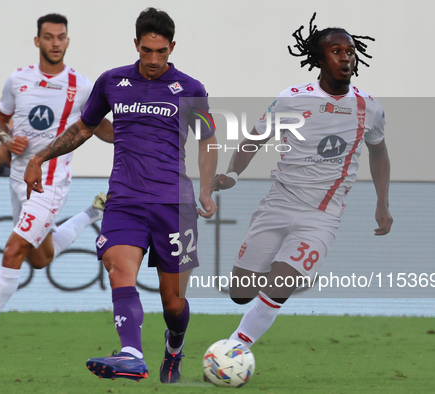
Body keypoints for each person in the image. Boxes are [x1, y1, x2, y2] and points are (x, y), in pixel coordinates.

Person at [23, 7, 217, 383]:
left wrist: (206, 188)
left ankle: (174, 346)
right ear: (136, 45)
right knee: (118, 267)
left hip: (173, 205)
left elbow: (208, 139)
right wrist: (40, 157)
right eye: (147, 51)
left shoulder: (192, 89)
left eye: (162, 52)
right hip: (125, 199)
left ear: (172, 47)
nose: (155, 59)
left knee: (173, 303)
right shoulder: (112, 82)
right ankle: (131, 353)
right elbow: (84, 127)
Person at [213, 13, 393, 349]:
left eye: (350, 51)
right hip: (279, 203)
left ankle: (235, 348)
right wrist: (232, 173)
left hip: (322, 216)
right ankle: (267, 282)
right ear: (319, 58)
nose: (346, 57)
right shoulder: (293, 98)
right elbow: (256, 137)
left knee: (280, 285)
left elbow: (379, 153)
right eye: (337, 51)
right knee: (240, 293)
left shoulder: (369, 107)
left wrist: (382, 202)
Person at [0, 13, 112, 345]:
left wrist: (138, 138)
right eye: (48, 37)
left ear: (67, 41)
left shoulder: (82, 85)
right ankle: (93, 213)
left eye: (61, 37)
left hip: (51, 182)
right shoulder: (17, 80)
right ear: (37, 41)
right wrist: (7, 140)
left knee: (13, 249)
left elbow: (98, 126)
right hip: (19, 181)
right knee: (40, 258)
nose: (55, 43)